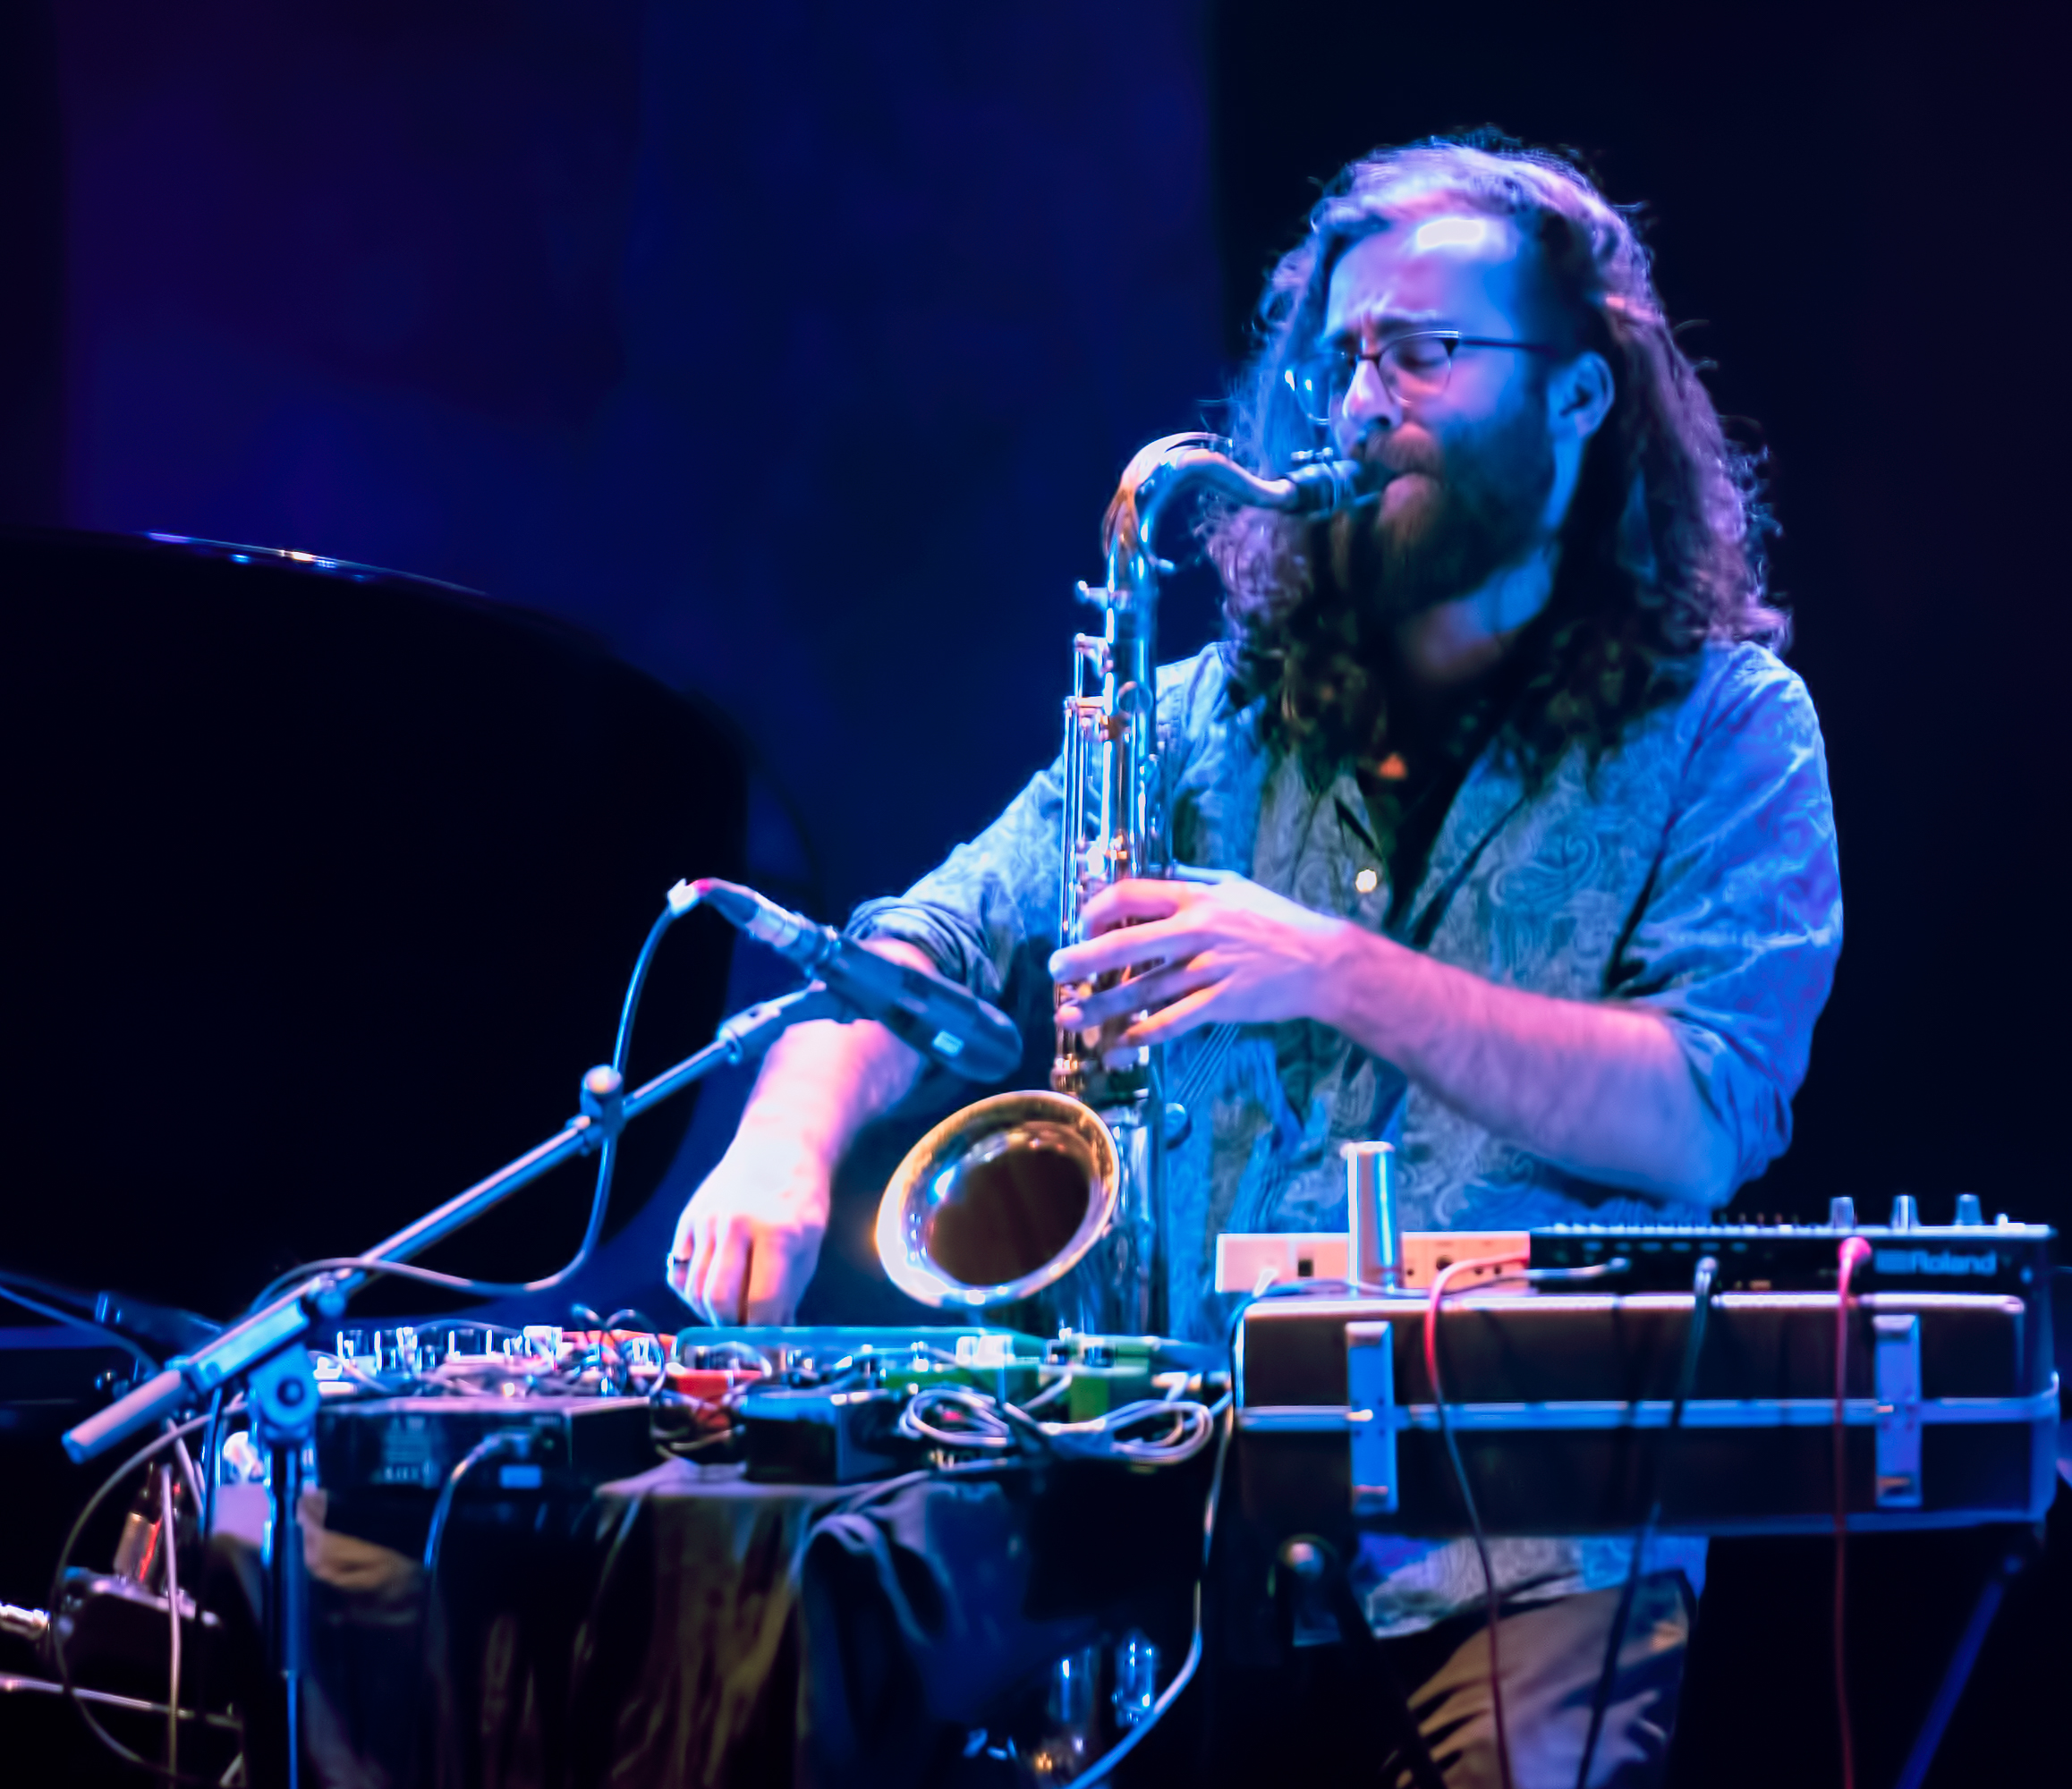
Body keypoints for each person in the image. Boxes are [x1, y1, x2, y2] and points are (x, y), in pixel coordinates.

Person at [667, 133, 1842, 1786]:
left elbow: (1704, 1113)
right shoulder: (1204, 715)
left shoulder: (1732, 729)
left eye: (1425, 353)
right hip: (1168, 1470)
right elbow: (917, 946)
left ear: (1582, 398)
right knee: (796, 1633)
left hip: (1520, 1516)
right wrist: (784, 1150)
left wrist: (1337, 968)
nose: (1365, 404)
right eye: (1345, 359)